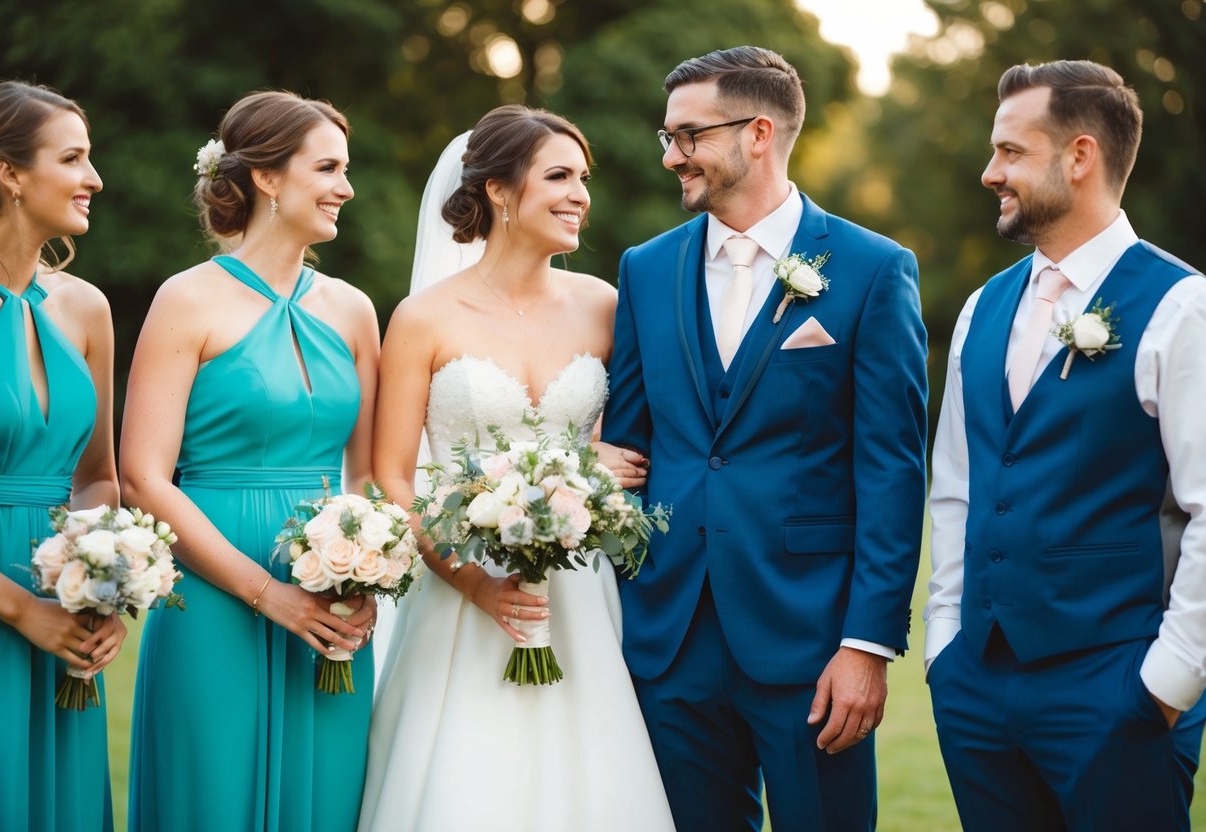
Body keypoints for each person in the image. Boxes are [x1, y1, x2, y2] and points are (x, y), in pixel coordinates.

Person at [602, 47, 928, 831]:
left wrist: (867, 645)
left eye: (688, 135)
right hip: (669, 634)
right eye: (667, 135)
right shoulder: (646, 269)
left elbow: (891, 468)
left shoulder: (872, 269)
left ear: (756, 133)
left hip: (812, 637)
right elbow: (627, 440)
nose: (670, 155)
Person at [358, 104, 675, 832]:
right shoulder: (423, 317)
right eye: (558, 176)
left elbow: (627, 446)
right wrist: (472, 583)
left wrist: (583, 475)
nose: (580, 195)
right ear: (498, 191)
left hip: (579, 597)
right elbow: (392, 478)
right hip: (459, 595)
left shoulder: (605, 306)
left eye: (583, 178)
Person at [925, 60, 1206, 831]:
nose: (990, 173)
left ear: (1078, 156)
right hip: (976, 686)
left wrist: (1165, 682)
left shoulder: (1180, 306)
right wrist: (944, 648)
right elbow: (955, 485)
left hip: (1115, 686)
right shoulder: (985, 305)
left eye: (1011, 152)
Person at [121, 90, 380, 832]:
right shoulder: (186, 299)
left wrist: (367, 569)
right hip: (212, 589)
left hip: (331, 597)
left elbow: (367, 475)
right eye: (327, 167)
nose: (345, 187)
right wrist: (267, 594)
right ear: (267, 178)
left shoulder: (354, 309)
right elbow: (142, 475)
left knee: (324, 798)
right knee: (211, 794)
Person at [0, 80, 123, 832]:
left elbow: (98, 476)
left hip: (64, 607)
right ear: (10, 172)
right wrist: (21, 612)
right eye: (72, 158)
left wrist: (107, 581)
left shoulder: (86, 308)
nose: (94, 178)